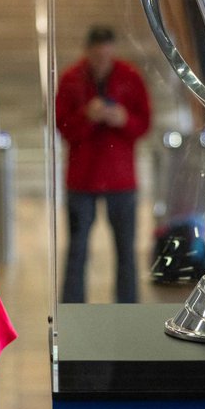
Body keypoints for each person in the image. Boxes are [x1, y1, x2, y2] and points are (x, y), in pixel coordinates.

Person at [56, 25, 152, 303]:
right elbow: (62, 127)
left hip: (120, 177)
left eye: (106, 57)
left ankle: (128, 308)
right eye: (96, 57)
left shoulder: (130, 76)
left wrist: (123, 119)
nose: (101, 62)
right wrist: (87, 116)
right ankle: (72, 309)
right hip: (82, 177)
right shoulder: (72, 78)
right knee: (77, 250)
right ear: (88, 52)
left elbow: (144, 123)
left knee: (126, 250)